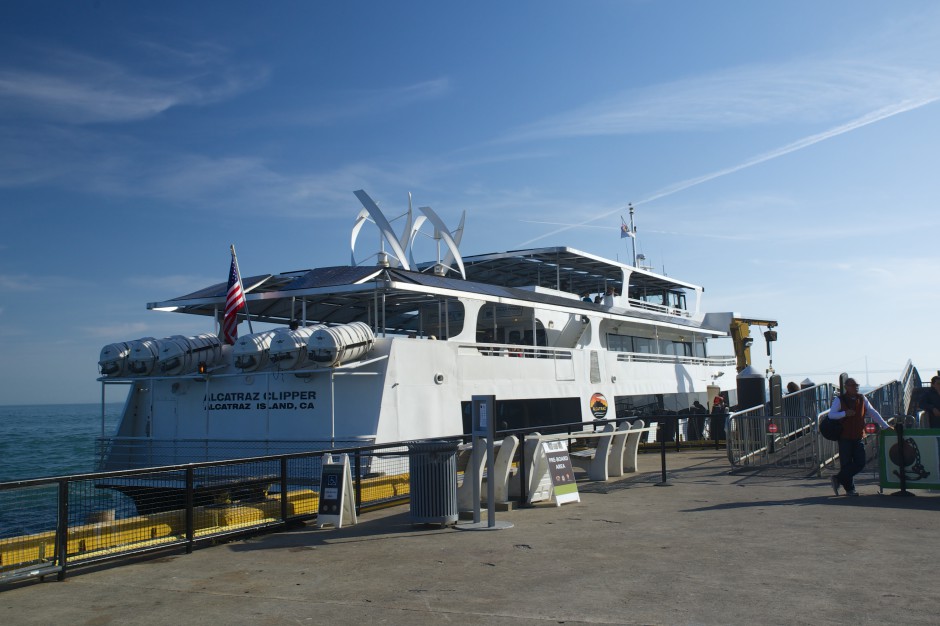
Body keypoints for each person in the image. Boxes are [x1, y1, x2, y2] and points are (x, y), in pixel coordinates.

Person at [827, 378, 892, 496]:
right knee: (846, 463)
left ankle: (837, 478)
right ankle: (850, 489)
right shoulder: (839, 399)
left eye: (857, 385)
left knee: (860, 462)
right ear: (846, 386)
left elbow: (872, 412)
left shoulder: (862, 398)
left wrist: (885, 426)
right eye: (853, 385)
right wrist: (844, 413)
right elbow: (831, 415)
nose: (855, 387)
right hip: (844, 436)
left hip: (858, 436)